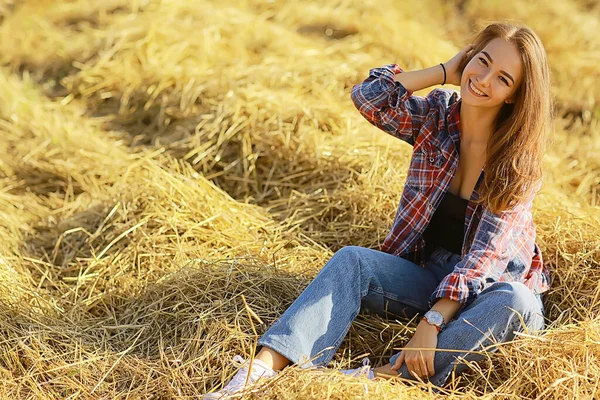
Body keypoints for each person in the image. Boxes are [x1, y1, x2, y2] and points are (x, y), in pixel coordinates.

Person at [203, 21, 553, 398]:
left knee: (515, 302)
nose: (483, 80)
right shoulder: (436, 118)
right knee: (353, 260)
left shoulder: (519, 162)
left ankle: (390, 379)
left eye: (502, 79)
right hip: (432, 271)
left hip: (491, 295)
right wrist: (443, 72)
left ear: (515, 96)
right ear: (467, 56)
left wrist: (431, 323)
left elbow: (485, 258)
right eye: (481, 61)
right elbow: (370, 98)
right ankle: (261, 372)